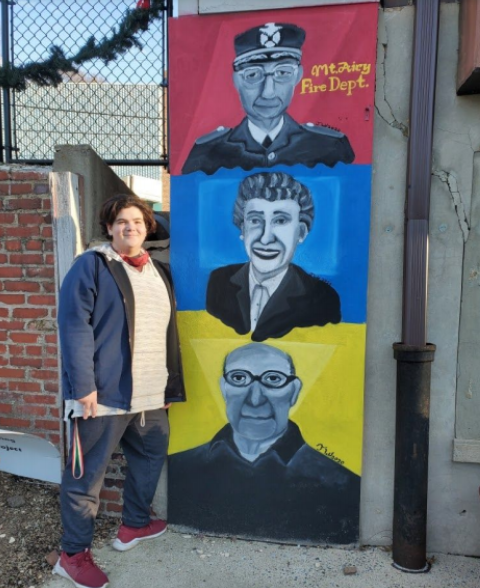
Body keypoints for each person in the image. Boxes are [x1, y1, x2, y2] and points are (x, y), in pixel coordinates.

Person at [54, 194, 185, 588]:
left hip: (148, 395)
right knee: (85, 480)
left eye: (138, 222)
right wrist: (83, 389)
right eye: (121, 221)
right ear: (108, 228)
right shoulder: (92, 266)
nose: (130, 227)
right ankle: (72, 556)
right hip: (103, 396)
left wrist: (166, 384)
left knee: (150, 457)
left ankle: (134, 525)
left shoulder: (159, 272)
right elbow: (74, 326)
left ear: (149, 228)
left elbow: (165, 334)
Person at [168, 343, 360, 544]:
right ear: (224, 389)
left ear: (294, 392)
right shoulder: (180, 466)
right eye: (239, 378)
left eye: (273, 379)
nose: (255, 399)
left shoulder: (341, 483)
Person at [182, 22, 354, 175]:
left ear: (298, 76)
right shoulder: (207, 152)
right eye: (253, 75)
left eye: (283, 73)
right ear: (236, 80)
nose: (268, 92)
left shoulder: (330, 148)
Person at [206, 171, 341, 341]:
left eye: (280, 221)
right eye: (255, 220)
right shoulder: (217, 283)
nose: (265, 238)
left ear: (300, 232)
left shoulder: (322, 298)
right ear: (243, 229)